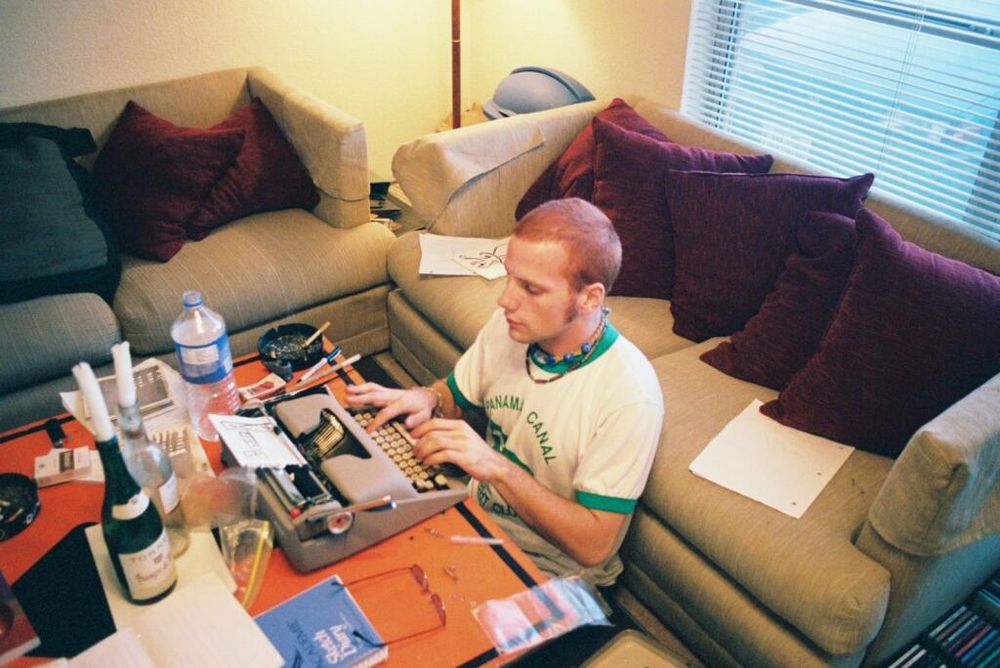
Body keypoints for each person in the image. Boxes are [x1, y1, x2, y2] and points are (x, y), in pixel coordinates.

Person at [346, 198, 663, 586]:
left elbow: (594, 546)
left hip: (554, 574)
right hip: (473, 519)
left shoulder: (629, 396)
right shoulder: (510, 326)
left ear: (589, 298)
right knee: (351, 556)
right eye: (510, 277)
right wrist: (428, 398)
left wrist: (496, 467)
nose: (505, 300)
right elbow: (454, 396)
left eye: (531, 288)